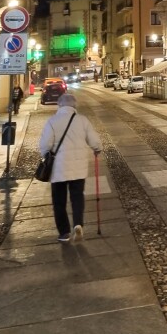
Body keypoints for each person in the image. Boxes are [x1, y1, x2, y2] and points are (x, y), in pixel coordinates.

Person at [39, 93, 102, 242]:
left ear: (59, 105)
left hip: (58, 168)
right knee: (77, 197)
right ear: (74, 106)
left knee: (59, 201)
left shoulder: (52, 121)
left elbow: (44, 145)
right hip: (78, 168)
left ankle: (64, 233)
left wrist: (46, 155)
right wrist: (97, 148)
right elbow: (94, 141)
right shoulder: (82, 120)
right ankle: (78, 224)